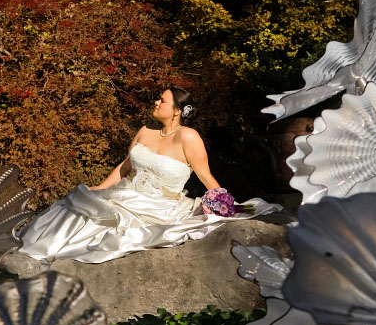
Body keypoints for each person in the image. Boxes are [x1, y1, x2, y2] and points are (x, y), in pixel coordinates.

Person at [17, 87, 281, 264]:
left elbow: (205, 175)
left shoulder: (189, 137)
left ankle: (55, 255)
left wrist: (225, 203)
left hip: (160, 205)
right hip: (125, 192)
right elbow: (126, 165)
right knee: (79, 206)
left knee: (109, 225)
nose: (156, 102)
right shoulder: (145, 130)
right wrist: (101, 186)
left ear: (177, 110)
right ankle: (38, 254)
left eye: (162, 100)